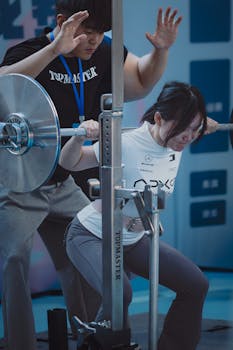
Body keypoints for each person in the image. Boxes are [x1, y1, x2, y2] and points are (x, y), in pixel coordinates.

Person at [0, 1, 182, 349]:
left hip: (64, 182)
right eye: (89, 32)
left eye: (102, 32)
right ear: (62, 22)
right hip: (22, 183)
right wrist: (56, 49)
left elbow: (141, 81)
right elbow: (3, 84)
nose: (96, 41)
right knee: (13, 261)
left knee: (94, 252)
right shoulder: (28, 52)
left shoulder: (106, 52)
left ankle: (90, 338)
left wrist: (160, 51)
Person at [60, 81, 219, 350]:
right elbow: (69, 163)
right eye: (182, 129)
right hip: (91, 235)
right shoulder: (126, 143)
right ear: (158, 118)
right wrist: (78, 136)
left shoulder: (178, 141)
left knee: (195, 285)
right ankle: (100, 344)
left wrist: (201, 125)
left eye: (194, 130)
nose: (187, 137)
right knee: (120, 293)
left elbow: (193, 127)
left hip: (134, 237)